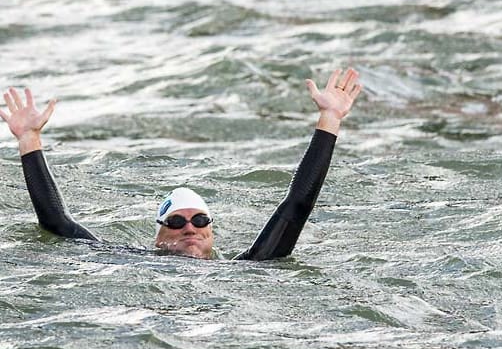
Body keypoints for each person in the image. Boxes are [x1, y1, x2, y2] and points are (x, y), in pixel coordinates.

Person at [0, 68, 362, 261]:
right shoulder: (127, 259)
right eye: (176, 221)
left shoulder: (248, 267)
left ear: (211, 231)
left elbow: (296, 205)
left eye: (199, 219)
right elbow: (56, 223)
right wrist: (29, 140)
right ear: (158, 236)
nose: (189, 227)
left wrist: (330, 118)